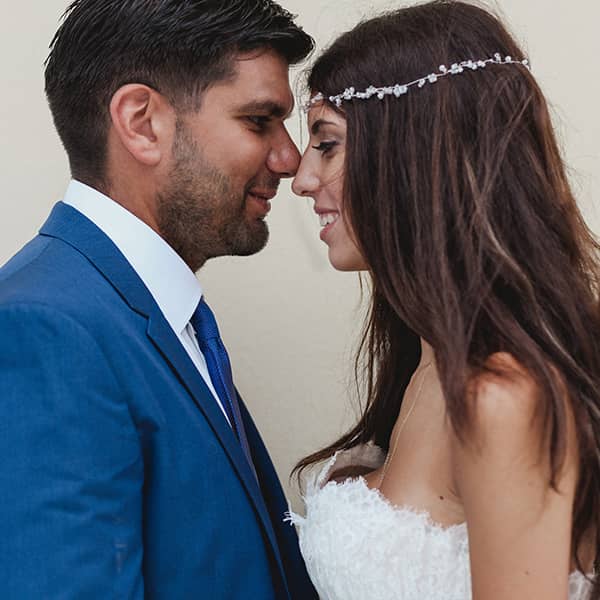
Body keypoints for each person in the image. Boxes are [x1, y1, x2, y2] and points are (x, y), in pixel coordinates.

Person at [0, 1, 317, 598]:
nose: (289, 158)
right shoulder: (44, 329)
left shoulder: (153, 314)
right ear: (142, 123)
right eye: (258, 121)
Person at [289, 2, 600, 599]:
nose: (301, 177)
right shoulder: (424, 362)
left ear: (411, 153)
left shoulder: (501, 396)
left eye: (326, 143)